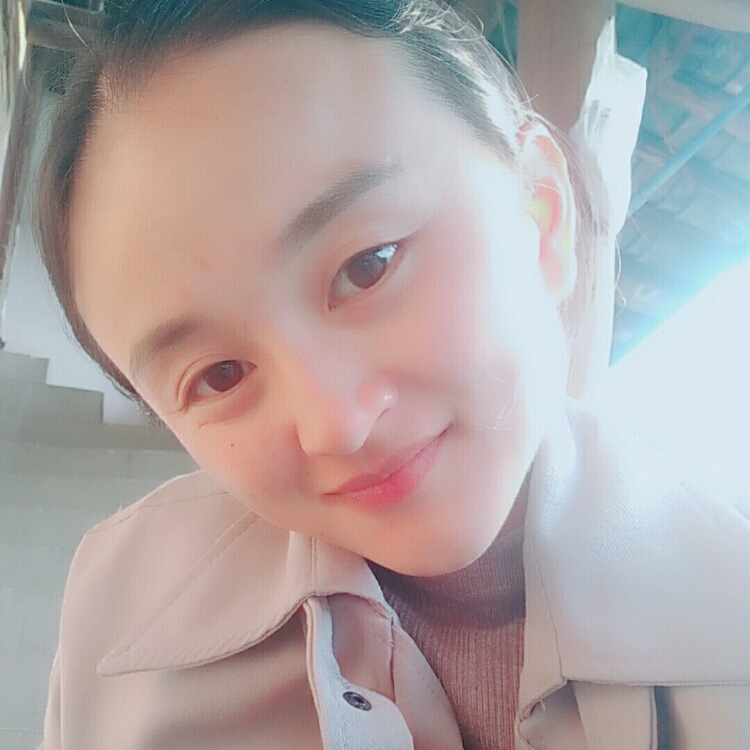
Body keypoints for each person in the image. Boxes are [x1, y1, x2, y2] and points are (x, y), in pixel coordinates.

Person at [34, 1, 750, 748]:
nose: (335, 423)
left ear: (540, 214)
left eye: (369, 265)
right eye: (218, 376)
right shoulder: (116, 619)